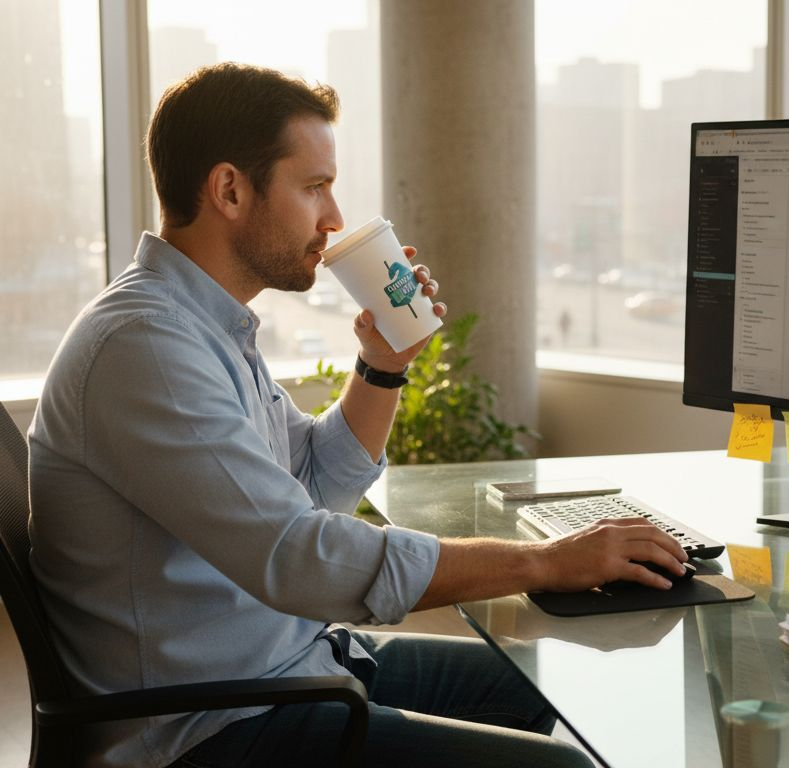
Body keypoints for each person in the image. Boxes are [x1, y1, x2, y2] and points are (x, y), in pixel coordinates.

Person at [26, 62, 687, 768]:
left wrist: (384, 363)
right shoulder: (145, 346)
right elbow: (299, 558)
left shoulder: (205, 328)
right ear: (229, 189)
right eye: (314, 187)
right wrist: (544, 561)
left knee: (549, 687)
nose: (335, 219)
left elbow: (311, 482)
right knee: (562, 765)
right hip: (207, 727)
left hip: (293, 668)